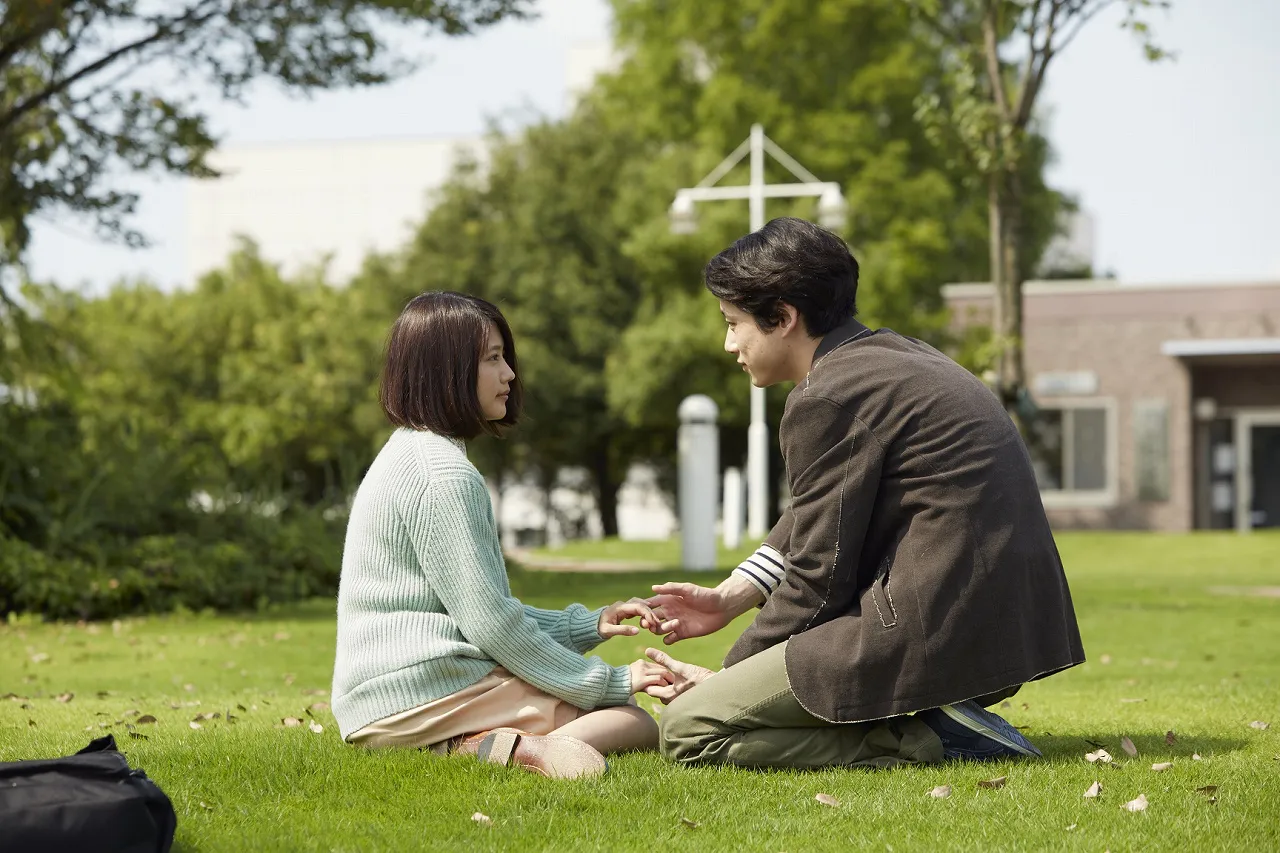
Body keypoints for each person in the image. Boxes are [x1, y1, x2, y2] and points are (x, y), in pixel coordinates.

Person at [640, 217, 1086, 770]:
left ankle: (931, 737)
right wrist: (735, 595)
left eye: (734, 323)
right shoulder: (893, 357)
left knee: (687, 730)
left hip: (935, 634)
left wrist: (726, 685)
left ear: (782, 317)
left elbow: (817, 578)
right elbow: (820, 509)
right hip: (993, 629)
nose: (728, 342)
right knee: (713, 711)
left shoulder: (829, 395)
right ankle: (934, 719)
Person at [331, 291, 672, 779]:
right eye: (492, 359)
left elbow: (476, 608)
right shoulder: (443, 474)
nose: (509, 374)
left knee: (617, 719)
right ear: (446, 370)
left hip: (379, 699)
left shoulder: (409, 452)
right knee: (633, 723)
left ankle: (468, 743)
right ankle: (492, 749)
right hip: (426, 693)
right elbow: (491, 625)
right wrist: (610, 682)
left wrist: (587, 626)